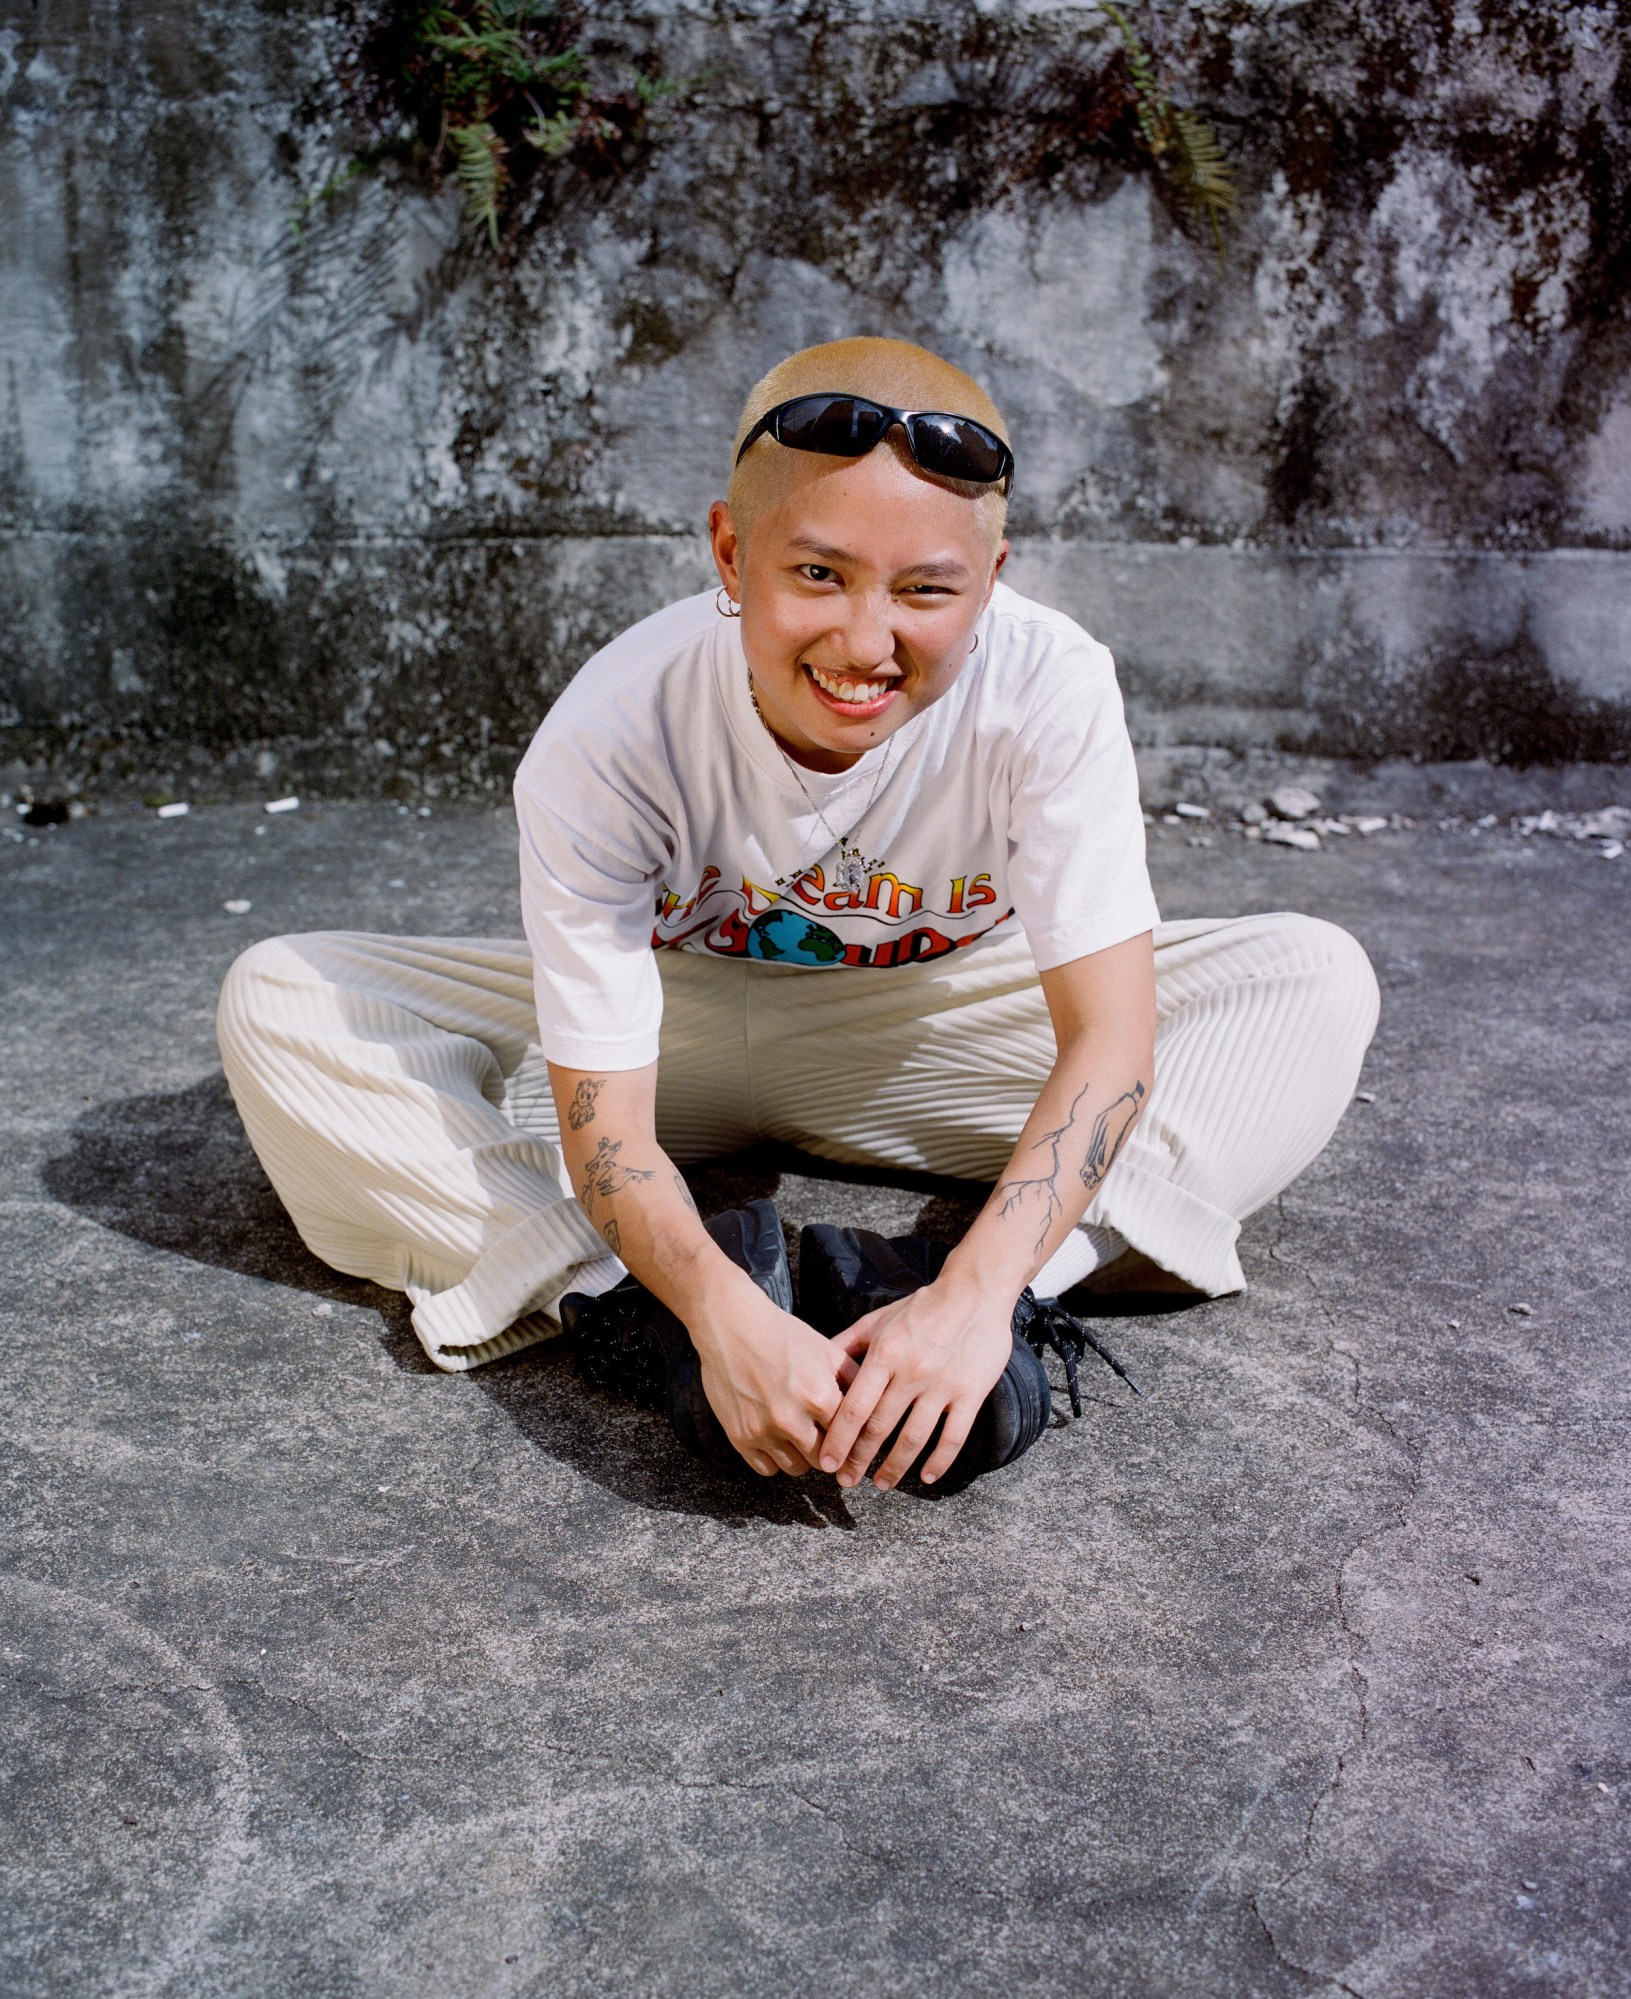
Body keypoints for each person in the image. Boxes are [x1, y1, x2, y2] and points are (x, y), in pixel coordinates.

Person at [218, 337, 1379, 1492]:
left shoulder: (1048, 683)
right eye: (816, 575)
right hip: (673, 1026)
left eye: (926, 589)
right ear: (730, 552)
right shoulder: (614, 725)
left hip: (935, 1032)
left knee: (1311, 981)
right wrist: (717, 1309)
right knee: (284, 1000)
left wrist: (972, 1296)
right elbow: (608, 1121)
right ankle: (645, 1312)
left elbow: (1108, 1036)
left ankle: (954, 1314)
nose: (864, 644)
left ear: (992, 579)